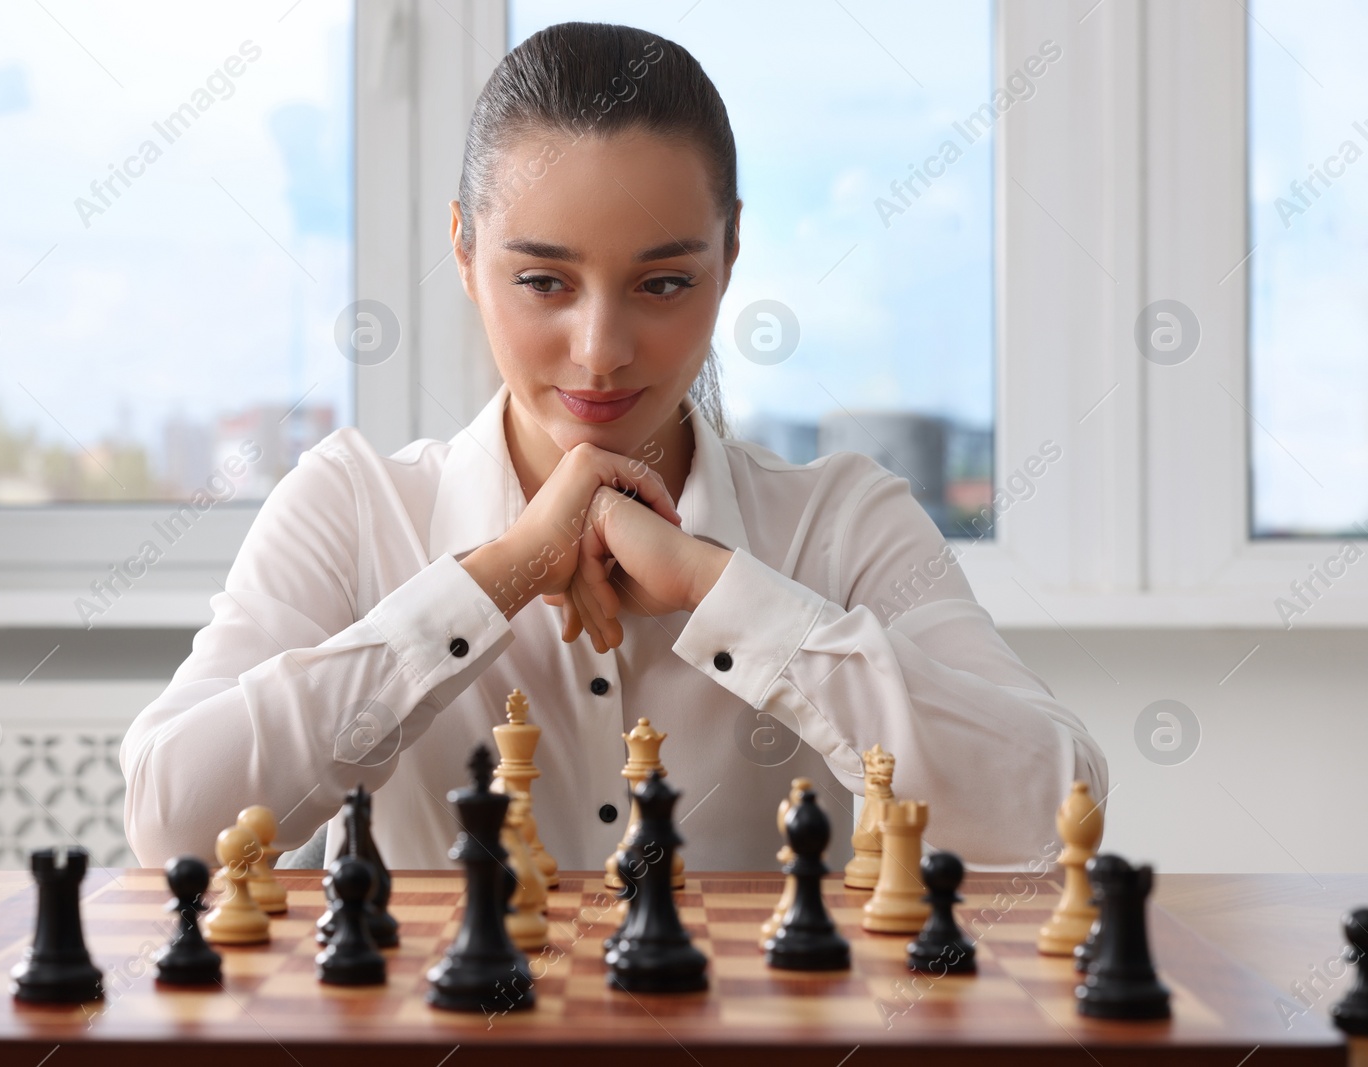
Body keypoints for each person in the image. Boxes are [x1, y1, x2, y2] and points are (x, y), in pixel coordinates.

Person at [121, 21, 1107, 873]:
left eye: (663, 283)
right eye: (544, 282)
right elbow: (173, 821)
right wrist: (492, 579)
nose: (599, 352)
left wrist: (724, 592)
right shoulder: (350, 506)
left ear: (729, 256)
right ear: (464, 251)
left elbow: (1054, 803)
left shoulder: (841, 521)